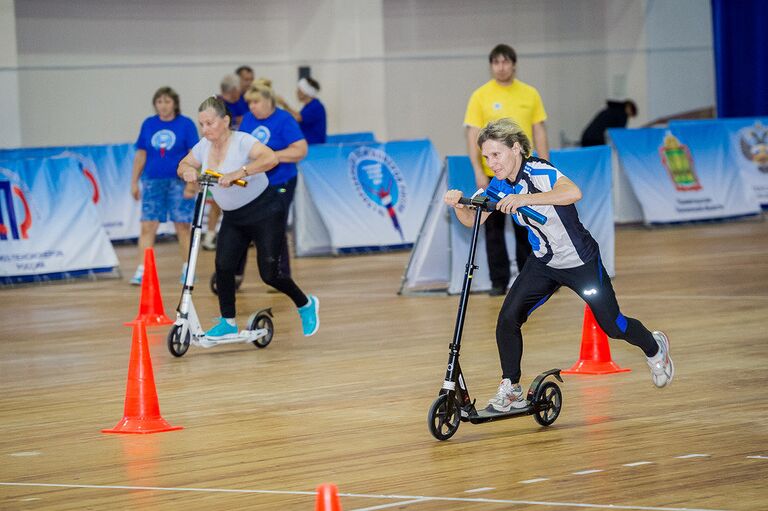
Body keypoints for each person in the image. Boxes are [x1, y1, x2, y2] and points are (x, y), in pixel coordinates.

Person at [444, 118, 674, 413]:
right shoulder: (498, 185)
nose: (491, 163)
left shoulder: (540, 171)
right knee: (507, 319)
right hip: (544, 263)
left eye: (496, 155)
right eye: (486, 157)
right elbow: (473, 221)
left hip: (580, 262)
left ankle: (655, 348)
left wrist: (525, 199)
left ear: (515, 148)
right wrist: (459, 206)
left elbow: (573, 192)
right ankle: (511, 388)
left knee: (613, 326)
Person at [177, 96, 319, 338]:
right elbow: (184, 163)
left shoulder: (243, 141)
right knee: (223, 267)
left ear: (225, 121)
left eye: (209, 123)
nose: (205, 129)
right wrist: (188, 170)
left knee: (270, 274)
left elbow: (270, 158)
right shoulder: (203, 146)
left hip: (264, 211)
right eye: (202, 124)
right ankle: (228, 321)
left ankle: (305, 304)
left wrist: (240, 172)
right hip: (234, 217)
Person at [464, 44, 549, 296]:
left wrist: (544, 163)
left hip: (525, 172)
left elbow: (539, 131)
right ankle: (498, 281)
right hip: (494, 174)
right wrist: (478, 169)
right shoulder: (480, 95)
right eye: (496, 62)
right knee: (493, 228)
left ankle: (530, 277)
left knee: (528, 225)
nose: (501, 67)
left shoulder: (530, 93)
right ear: (491, 66)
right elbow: (472, 134)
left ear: (514, 64)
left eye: (505, 62)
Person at [130, 86, 199, 285]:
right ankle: (143, 269)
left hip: (179, 181)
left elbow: (194, 155)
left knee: (183, 226)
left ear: (175, 104)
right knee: (148, 225)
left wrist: (191, 184)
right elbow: (141, 154)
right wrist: (134, 182)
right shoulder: (149, 124)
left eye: (167, 101)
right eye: (159, 102)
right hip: (152, 181)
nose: (163, 105)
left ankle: (188, 269)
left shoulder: (185, 124)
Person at [239, 79, 308, 279]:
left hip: (281, 180)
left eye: (256, 102)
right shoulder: (248, 120)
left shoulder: (284, 119)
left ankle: (280, 272)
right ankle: (235, 273)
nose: (252, 107)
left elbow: (300, 150)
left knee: (275, 225)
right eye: (250, 103)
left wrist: (271, 157)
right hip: (255, 182)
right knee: (243, 223)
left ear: (269, 101)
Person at [202, 73, 253, 251]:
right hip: (220, 155)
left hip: (238, 154)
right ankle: (210, 235)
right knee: (219, 197)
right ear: (231, 91)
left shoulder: (242, 101)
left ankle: (247, 234)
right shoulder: (216, 104)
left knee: (242, 195)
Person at [277, 77, 327, 144]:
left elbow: (297, 118)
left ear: (305, 92)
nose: (296, 92)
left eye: (299, 90)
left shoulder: (316, 106)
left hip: (314, 145)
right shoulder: (308, 107)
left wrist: (284, 104)